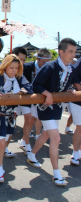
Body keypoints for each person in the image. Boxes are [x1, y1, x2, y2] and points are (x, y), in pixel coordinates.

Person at [27, 38, 80, 186]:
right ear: (61, 52)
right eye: (70, 51)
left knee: (46, 134)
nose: (73, 54)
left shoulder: (71, 68)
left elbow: (69, 83)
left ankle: (31, 155)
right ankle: (57, 174)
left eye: (75, 52)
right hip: (45, 107)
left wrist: (71, 89)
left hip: (57, 107)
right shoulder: (49, 66)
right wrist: (47, 93)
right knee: (55, 138)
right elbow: (36, 85)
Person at [0, 54, 33, 183]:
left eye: (16, 68)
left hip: (10, 116)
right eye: (11, 67)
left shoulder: (19, 78)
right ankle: (0, 169)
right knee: (1, 143)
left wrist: (19, 93)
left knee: (6, 140)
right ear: (5, 66)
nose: (14, 71)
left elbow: (29, 87)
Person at [19, 48, 52, 153]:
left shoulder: (49, 69)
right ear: (37, 58)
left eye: (48, 62)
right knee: (13, 116)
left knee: (31, 119)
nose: (46, 65)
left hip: (37, 97)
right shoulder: (27, 67)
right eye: (43, 62)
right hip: (23, 96)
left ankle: (24, 141)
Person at [68, 57, 81, 165]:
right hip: (78, 99)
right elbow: (74, 74)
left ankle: (80, 152)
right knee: (80, 127)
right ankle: (75, 153)